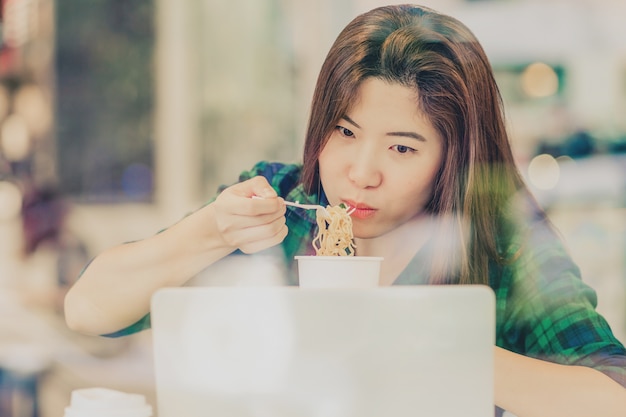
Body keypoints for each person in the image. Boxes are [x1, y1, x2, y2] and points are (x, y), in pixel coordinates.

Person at [64, 4, 626, 416]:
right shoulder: (285, 205)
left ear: (454, 158)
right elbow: (89, 311)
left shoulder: (502, 243)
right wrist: (209, 230)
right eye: (344, 130)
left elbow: (612, 397)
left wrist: (430, 344)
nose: (361, 172)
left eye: (402, 147)